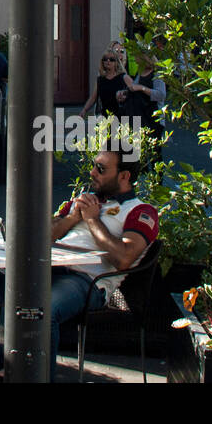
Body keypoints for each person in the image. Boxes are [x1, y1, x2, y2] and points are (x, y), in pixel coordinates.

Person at [49, 148, 158, 380]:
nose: (92, 173)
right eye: (94, 165)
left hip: (86, 281)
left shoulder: (140, 211)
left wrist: (93, 220)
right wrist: (72, 217)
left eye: (101, 169)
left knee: (42, 310)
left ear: (124, 176)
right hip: (49, 267)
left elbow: (123, 258)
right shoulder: (86, 200)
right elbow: (43, 236)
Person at [79, 49, 127, 119]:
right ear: (102, 62)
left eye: (111, 59)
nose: (108, 61)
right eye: (105, 59)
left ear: (116, 62)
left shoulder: (123, 77)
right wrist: (84, 110)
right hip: (105, 116)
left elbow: (132, 91)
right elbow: (93, 97)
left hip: (121, 116)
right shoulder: (100, 79)